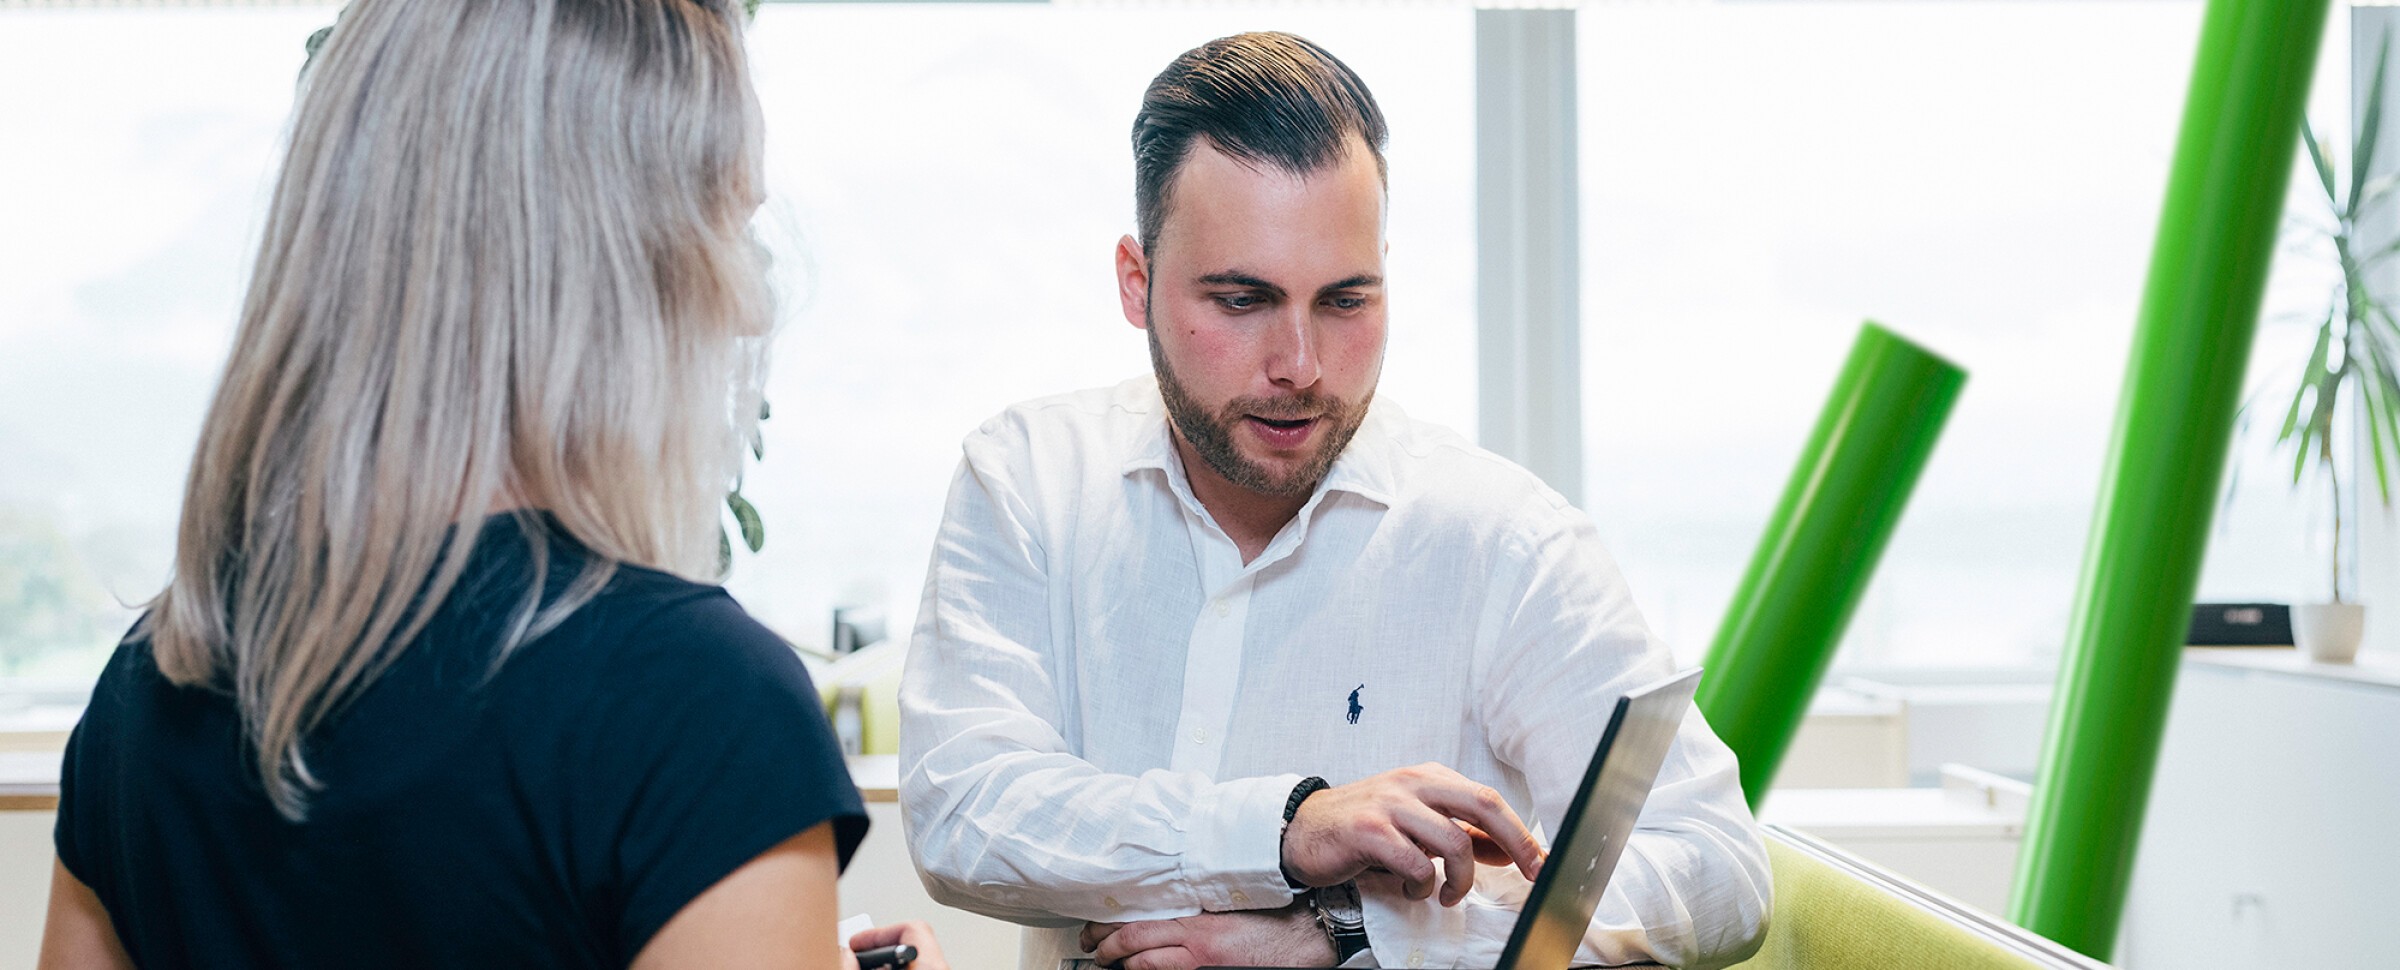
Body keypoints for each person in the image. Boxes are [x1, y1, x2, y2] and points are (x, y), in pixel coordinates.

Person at [37, 2, 943, 967]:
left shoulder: (155, 679)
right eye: (727, 224)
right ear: (627, 266)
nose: (751, 309)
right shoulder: (695, 702)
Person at [898, 31, 1771, 970]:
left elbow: (1714, 866)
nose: (1301, 368)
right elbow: (963, 806)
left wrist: (1355, 934)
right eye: (1242, 301)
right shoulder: (1026, 479)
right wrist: (1286, 830)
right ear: (1136, 281)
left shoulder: (1505, 543)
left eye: (1346, 301)